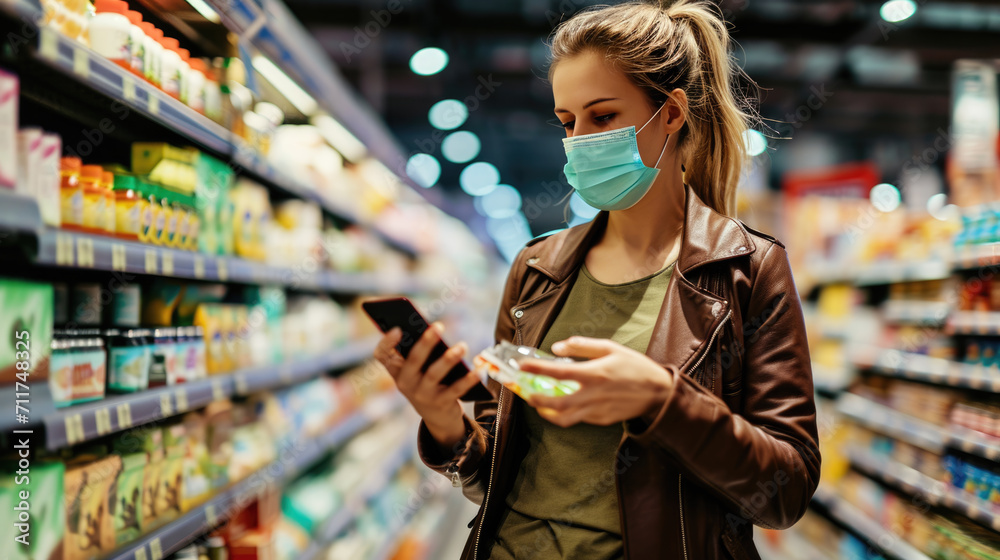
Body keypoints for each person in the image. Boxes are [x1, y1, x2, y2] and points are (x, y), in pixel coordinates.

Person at [372, 0, 820, 558]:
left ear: (673, 113)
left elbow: (788, 491)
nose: (579, 140)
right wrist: (444, 424)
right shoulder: (537, 270)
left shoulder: (746, 270)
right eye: (567, 122)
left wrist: (663, 399)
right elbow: (496, 477)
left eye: (603, 117)